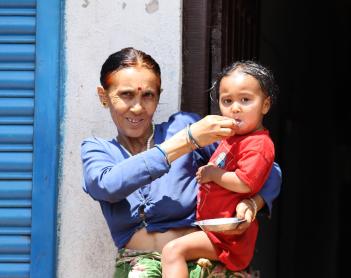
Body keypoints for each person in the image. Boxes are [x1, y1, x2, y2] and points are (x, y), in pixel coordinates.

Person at [80, 47, 282, 277]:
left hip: (205, 264)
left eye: (148, 95)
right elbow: (107, 186)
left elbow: (266, 168)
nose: (137, 107)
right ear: (103, 96)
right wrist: (185, 142)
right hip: (139, 268)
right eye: (126, 94)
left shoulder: (182, 125)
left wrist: (254, 203)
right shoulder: (98, 150)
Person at [161, 61, 278, 277]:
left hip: (229, 238)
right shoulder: (231, 138)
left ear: (265, 105)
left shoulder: (259, 144)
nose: (235, 108)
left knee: (172, 251)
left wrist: (213, 173)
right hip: (215, 231)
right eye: (227, 101)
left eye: (245, 100)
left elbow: (245, 182)